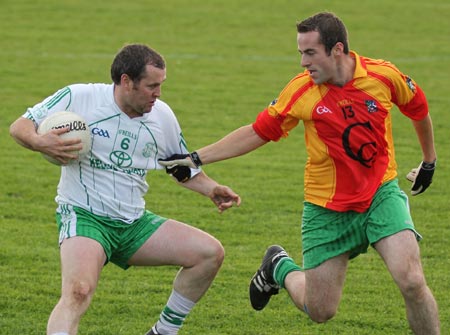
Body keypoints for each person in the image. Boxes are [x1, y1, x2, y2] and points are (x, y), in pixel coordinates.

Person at [159, 12, 440, 334]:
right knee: (321, 310)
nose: (304, 63)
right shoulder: (301, 90)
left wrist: (429, 161)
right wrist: (195, 158)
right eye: (301, 53)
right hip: (326, 209)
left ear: (337, 50)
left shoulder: (382, 76)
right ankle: (279, 268)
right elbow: (258, 132)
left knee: (413, 281)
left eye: (310, 53)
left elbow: (417, 107)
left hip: (380, 194)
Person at [9, 43, 241, 335]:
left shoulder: (162, 116)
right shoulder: (80, 97)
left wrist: (211, 188)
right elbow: (20, 126)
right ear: (126, 81)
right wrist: (39, 142)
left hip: (133, 223)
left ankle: (163, 332)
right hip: (86, 217)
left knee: (209, 253)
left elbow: (179, 166)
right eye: (151, 86)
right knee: (78, 291)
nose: (158, 94)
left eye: (161, 85)